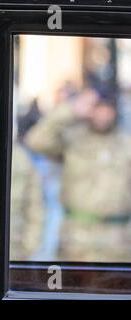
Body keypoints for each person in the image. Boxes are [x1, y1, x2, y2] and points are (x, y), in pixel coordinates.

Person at [25, 88, 131, 261]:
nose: (103, 114)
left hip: (119, 243)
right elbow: (36, 141)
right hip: (76, 241)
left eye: (107, 108)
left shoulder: (126, 144)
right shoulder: (72, 139)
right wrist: (70, 111)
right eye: (98, 107)